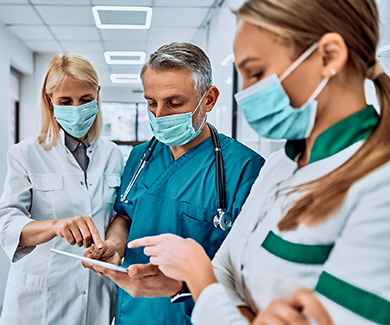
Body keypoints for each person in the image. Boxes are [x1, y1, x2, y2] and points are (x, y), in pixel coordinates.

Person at [126, 0, 390, 324]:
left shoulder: (379, 185)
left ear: (329, 57)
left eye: (256, 73)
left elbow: (217, 283)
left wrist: (200, 273)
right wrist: (226, 299)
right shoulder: (279, 166)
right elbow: (224, 271)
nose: (246, 94)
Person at [84, 42, 264, 325]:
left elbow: (251, 273)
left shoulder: (245, 169)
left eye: (174, 103)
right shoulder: (140, 156)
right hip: (133, 313)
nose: (159, 115)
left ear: (209, 99)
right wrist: (114, 246)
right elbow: (125, 214)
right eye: (151, 102)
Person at [0, 53, 123, 324]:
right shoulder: (25, 153)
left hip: (96, 293)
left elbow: (119, 217)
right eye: (66, 101)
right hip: (38, 302)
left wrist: (112, 245)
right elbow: (7, 224)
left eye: (86, 99)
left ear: (98, 95)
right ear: (49, 100)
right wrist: (54, 226)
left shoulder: (114, 155)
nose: (77, 108)